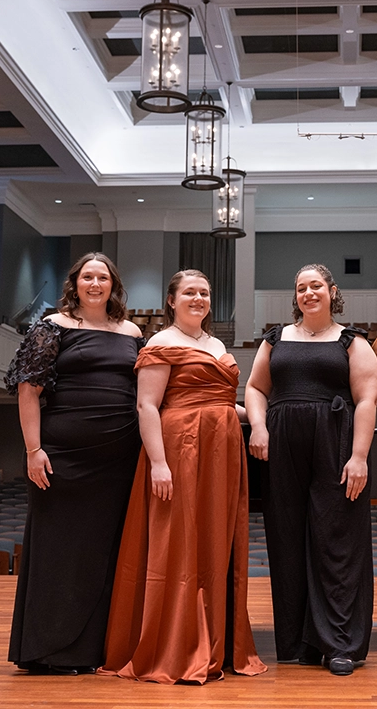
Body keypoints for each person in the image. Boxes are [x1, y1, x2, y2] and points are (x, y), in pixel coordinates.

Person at [100, 270, 266, 684]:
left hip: (221, 453)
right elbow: (147, 406)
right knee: (177, 541)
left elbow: (223, 405)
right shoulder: (160, 342)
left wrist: (265, 420)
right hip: (180, 451)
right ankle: (175, 645)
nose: (198, 298)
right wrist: (159, 462)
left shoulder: (216, 344)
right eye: (189, 292)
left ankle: (212, 640)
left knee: (213, 541)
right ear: (171, 301)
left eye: (205, 293)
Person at [4, 252, 143, 675]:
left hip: (119, 458)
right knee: (57, 550)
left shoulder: (132, 331)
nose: (95, 284)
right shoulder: (53, 328)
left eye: (103, 277)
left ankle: (95, 649)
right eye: (88, 277)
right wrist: (33, 450)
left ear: (113, 284)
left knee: (105, 553)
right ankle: (48, 649)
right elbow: (28, 391)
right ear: (75, 283)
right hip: (62, 457)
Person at [245, 263, 377, 676]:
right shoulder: (275, 339)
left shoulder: (352, 341)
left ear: (332, 291)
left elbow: (367, 400)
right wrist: (259, 427)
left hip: (334, 442)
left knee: (336, 540)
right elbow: (254, 388)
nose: (308, 293)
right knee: (285, 537)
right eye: (301, 287)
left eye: (316, 286)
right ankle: (298, 642)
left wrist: (358, 457)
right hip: (281, 443)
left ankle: (339, 643)